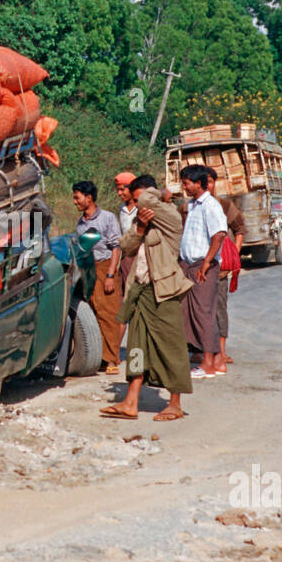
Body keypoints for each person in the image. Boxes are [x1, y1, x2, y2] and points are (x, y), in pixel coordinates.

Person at [100, 174, 194, 422]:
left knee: (171, 347)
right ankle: (130, 401)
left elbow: (145, 201)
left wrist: (160, 192)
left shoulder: (171, 217)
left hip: (163, 291)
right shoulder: (144, 220)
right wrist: (140, 228)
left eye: (139, 194)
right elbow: (126, 245)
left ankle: (175, 403)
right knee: (136, 347)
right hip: (140, 290)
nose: (137, 201)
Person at [178, 165, 228, 380]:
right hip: (189, 266)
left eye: (186, 183)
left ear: (198, 184)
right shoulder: (192, 206)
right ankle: (211, 360)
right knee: (190, 313)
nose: (184, 186)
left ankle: (209, 363)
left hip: (202, 267)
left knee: (204, 314)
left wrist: (207, 263)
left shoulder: (210, 206)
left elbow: (219, 235)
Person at [72, 180, 125, 374]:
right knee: (94, 311)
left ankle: (112, 359)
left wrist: (111, 275)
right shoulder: (81, 223)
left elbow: (116, 248)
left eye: (78, 198)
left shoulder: (107, 218)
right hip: (88, 269)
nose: (75, 202)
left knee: (109, 314)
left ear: (89, 197)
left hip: (104, 268)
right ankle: (101, 357)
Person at [210, 174, 245, 371]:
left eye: (210, 181)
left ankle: (221, 351)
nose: (208, 186)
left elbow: (240, 228)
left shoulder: (224, 206)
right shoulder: (188, 208)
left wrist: (233, 254)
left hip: (220, 269)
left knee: (219, 308)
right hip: (198, 269)